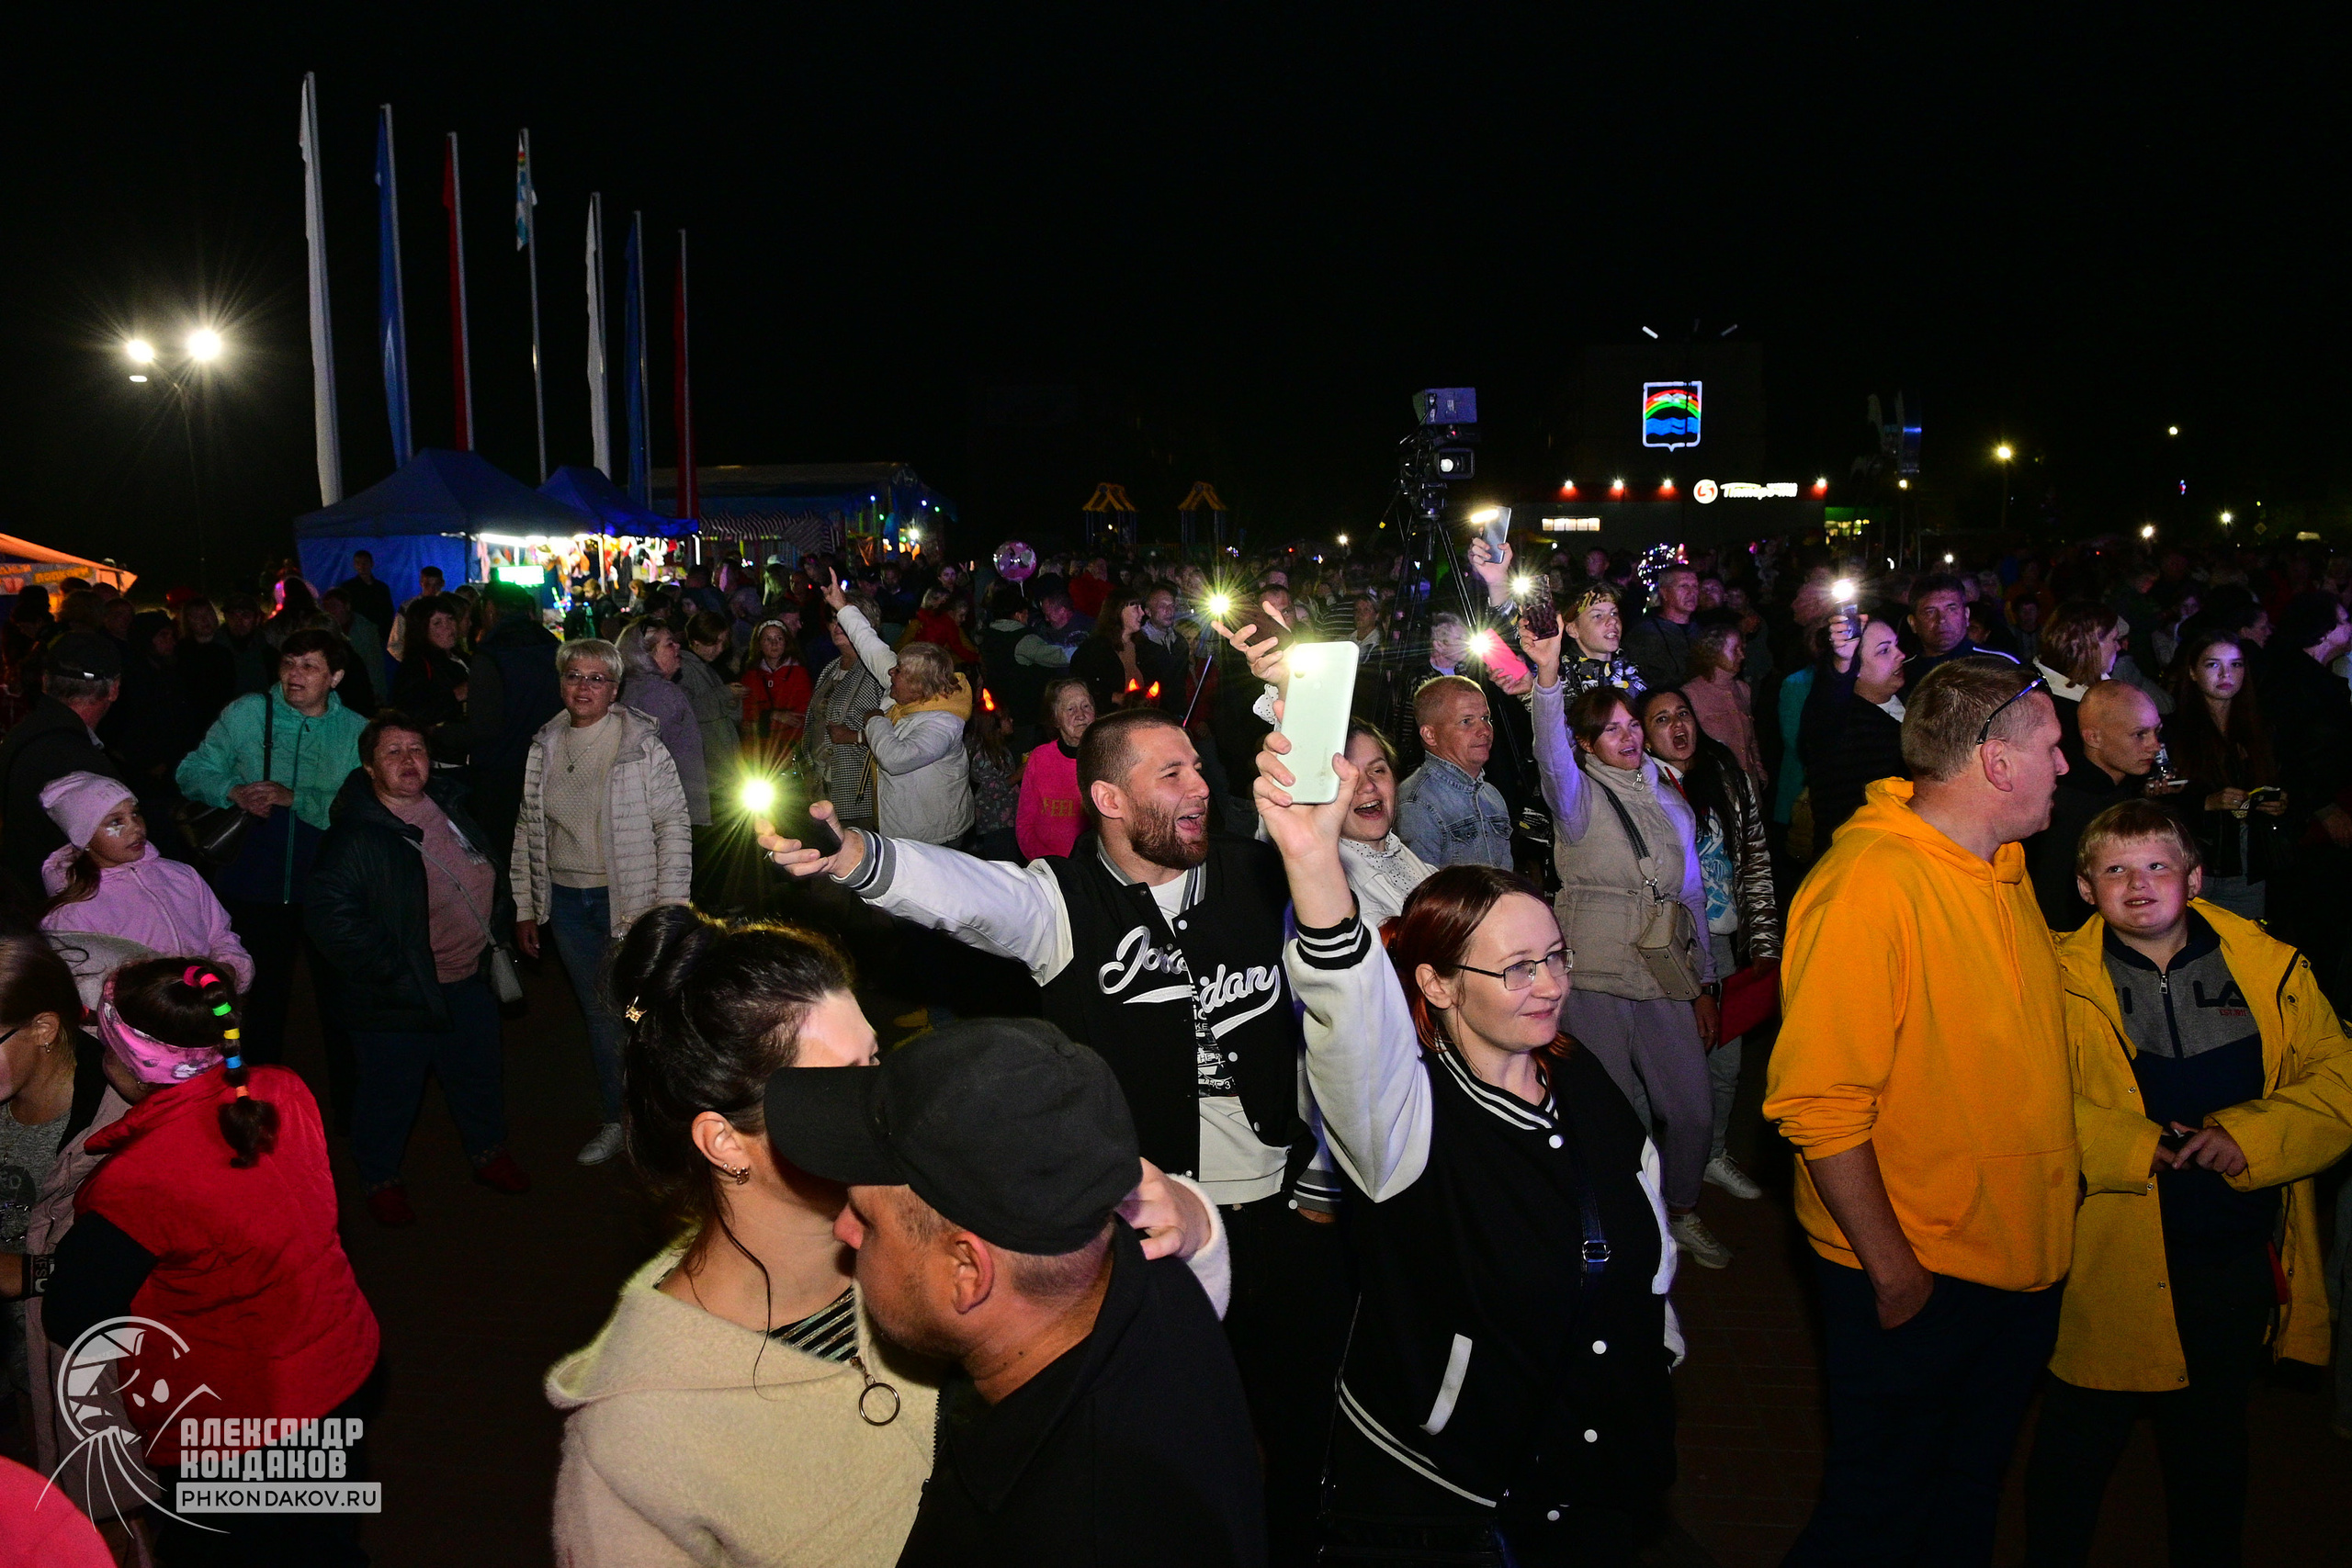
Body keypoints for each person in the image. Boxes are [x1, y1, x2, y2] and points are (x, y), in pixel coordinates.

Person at [762, 707, 1342, 1563]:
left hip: (1285, 1214)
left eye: (1197, 767)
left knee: (1302, 1436)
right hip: (1146, 1234)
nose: (1199, 789)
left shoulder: (1268, 875)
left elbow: (1342, 1018)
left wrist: (1324, 1177)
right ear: (1108, 795)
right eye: (1171, 774)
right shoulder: (1057, 904)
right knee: (1162, 1441)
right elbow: (964, 895)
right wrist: (856, 857)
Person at [546, 907, 1226, 1567]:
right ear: (725, 1141)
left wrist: (1193, 1219)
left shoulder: (937, 1210)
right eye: (843, 1086)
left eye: (879, 1061)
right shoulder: (633, 1434)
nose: (885, 1102)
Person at [1250, 728, 1679, 1562]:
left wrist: (1655, 1355)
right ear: (1438, 983)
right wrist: (1310, 861)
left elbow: (1650, 1241)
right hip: (1448, 1503)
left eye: (1554, 956)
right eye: (1516, 968)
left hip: (1596, 1487)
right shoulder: (1405, 1121)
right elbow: (1349, 1014)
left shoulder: (1583, 1079)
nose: (1551, 983)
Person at [1762, 658, 2075, 1566]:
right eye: (2051, 748)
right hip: (1920, 1275)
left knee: (1959, 1512)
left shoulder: (2002, 867)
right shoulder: (1868, 887)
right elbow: (1819, 1109)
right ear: (1997, 764)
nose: (2064, 766)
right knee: (1872, 1522)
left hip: (2012, 1267)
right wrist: (1895, 1277)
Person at [763, 1016, 1264, 1567]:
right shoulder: (1147, 1279)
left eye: (866, 1219)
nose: (843, 1231)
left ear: (967, 1273)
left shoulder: (1066, 1534)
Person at [2017, 800, 2352, 1564]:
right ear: (2083, 886)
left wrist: (2253, 1134)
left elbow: (2340, 1078)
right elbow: (2017, 1099)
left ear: (2196, 878)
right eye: (2115, 869)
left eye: (2158, 865)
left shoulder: (2273, 969)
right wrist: (2127, 1142)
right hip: (2105, 1259)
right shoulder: (2052, 979)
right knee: (2075, 1446)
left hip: (2226, 1256)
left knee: (2211, 1450)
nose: (2139, 884)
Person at [41, 959, 380, 1568]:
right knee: (322, 1540)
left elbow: (74, 1316)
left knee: (222, 1552)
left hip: (236, 1418)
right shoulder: (282, 1087)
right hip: (340, 1368)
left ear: (126, 1061)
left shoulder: (139, 1181)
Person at [1524, 630, 1729, 1270]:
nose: (1629, 736)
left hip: (1663, 972)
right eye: (1610, 730)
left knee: (1692, 1111)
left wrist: (1704, 981)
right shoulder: (1577, 797)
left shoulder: (1670, 799)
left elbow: (1691, 895)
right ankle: (1617, 1223)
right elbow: (1550, 754)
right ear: (1587, 744)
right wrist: (1548, 675)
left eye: (1629, 725)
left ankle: (1679, 1208)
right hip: (1596, 977)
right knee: (1606, 1115)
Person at [308, 713, 528, 1225]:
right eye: (393, 752)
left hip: (468, 979)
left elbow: (486, 867)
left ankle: (488, 1152)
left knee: (478, 1076)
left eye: (417, 750)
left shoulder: (452, 806)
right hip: (399, 994)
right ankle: (380, 1178)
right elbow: (330, 920)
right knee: (390, 1091)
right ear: (368, 767)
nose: (409, 761)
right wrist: (396, 970)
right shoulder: (356, 836)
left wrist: (497, 923)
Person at [511, 637, 694, 1166]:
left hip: (630, 901)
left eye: (596, 678)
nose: (583, 686)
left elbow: (673, 825)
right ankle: (617, 1119)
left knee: (644, 1010)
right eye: (574, 675)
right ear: (561, 682)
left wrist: (672, 908)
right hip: (568, 903)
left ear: (615, 689)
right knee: (598, 1014)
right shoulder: (544, 744)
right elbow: (528, 828)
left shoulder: (640, 745)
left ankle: (661, 1114)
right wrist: (525, 904)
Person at [174, 628, 367, 1100]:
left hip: (328, 886)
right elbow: (191, 771)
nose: (293, 676)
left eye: (309, 667)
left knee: (343, 1000)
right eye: (288, 663)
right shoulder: (247, 713)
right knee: (253, 1000)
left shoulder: (358, 731)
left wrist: (295, 799)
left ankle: (352, 1106)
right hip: (251, 881)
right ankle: (252, 1100)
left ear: (335, 677)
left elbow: (360, 807)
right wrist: (232, 791)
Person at [1635, 688, 1780, 1204]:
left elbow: (1754, 861)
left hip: (1722, 941)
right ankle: (1663, 1180)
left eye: (1683, 715)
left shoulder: (1727, 776)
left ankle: (1713, 1153)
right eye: (1660, 720)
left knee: (1727, 1065)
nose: (1677, 728)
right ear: (1642, 733)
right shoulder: (1638, 785)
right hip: (1666, 949)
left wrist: (1763, 941)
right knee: (1675, 1072)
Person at [36, 771, 250, 984]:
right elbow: (86, 984)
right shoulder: (74, 909)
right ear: (85, 837)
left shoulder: (181, 875)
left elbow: (220, 934)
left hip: (208, 1006)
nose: (136, 827)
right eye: (115, 821)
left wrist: (228, 969)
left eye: (136, 813)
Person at [2259, 590, 2352, 1010]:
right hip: (2306, 828)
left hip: (2307, 822)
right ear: (2325, 630)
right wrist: (2325, 808)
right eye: (2344, 619)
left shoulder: (2303, 677)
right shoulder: (2301, 684)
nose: (2350, 628)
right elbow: (2295, 755)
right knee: (2318, 925)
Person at [824, 585, 974, 847]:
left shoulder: (943, 722)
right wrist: (842, 607)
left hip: (934, 837)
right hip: (905, 829)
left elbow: (896, 759)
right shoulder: (904, 692)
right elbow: (870, 645)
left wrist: (874, 720)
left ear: (920, 685)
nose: (891, 672)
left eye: (900, 671)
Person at [2163, 631, 2288, 922]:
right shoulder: (2172, 732)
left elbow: (2283, 780)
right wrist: (2204, 802)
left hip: (2248, 866)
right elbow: (2153, 797)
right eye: (2212, 665)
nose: (2225, 674)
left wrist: (2279, 803)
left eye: (2236, 665)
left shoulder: (2262, 730)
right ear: (2192, 672)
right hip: (2192, 864)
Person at [2025, 680, 2166, 930]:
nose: (2154, 746)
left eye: (2156, 732)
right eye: (2139, 734)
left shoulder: (2124, 793)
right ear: (2094, 737)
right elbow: (2055, 901)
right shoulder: (2062, 807)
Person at [0, 632, 125, 897]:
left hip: (21, 894)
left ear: (45, 682)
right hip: (64, 903)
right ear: (113, 689)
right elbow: (119, 841)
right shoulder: (84, 763)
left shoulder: (20, 735)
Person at [454, 581, 567, 861]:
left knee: (504, 857)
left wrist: (441, 733)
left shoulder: (492, 654)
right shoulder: (550, 645)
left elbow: (484, 726)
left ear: (490, 609)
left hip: (501, 774)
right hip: (548, 765)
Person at [1798, 610, 1909, 842]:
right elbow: (1827, 699)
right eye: (1884, 650)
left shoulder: (1916, 702)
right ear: (1855, 668)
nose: (1900, 655)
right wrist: (1841, 661)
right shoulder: (1837, 720)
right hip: (1857, 852)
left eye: (1896, 645)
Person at [1395, 674, 1513, 870]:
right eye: (1467, 721)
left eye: (1486, 718)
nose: (1484, 730)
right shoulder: (1417, 803)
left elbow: (1506, 879)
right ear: (1430, 735)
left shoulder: (1491, 795)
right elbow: (1420, 893)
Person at [1329, 719, 1435, 927]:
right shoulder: (1332, 895)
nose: (1367, 786)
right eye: (1346, 778)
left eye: (1377, 770)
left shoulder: (1414, 864)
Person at [617, 621, 712, 831]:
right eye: (669, 644)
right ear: (646, 654)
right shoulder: (660, 695)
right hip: (673, 810)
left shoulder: (628, 689)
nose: (678, 647)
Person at [807, 602, 888, 832]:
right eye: (834, 619)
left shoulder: (878, 672)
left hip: (858, 792)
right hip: (824, 786)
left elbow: (898, 730)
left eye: (845, 620)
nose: (838, 626)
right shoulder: (830, 668)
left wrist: (855, 737)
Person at [2034, 600, 2126, 771]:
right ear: (2086, 645)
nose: (2118, 647)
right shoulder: (2044, 702)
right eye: (2114, 639)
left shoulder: (2107, 687)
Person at [1014, 677, 1093, 862]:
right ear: (1056, 719)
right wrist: (1048, 864)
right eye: (1071, 709)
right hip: (1048, 866)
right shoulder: (1040, 758)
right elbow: (1025, 824)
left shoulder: (1108, 757)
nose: (1080, 715)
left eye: (1086, 706)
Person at [1681, 621, 1764, 786]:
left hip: (1748, 784)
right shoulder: (1691, 694)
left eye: (1742, 649)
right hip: (1717, 786)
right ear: (1714, 652)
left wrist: (1758, 768)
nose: (1742, 655)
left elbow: (1751, 739)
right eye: (1735, 650)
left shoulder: (1743, 689)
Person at [1904, 570, 2015, 687]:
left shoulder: (2000, 665)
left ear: (1966, 615)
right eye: (1930, 612)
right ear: (1913, 623)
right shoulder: (1899, 674)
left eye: (1951, 609)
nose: (1942, 619)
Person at [1554, 583, 1645, 708]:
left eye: (1614, 613)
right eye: (1598, 616)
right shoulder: (1555, 678)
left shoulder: (1636, 669)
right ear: (1573, 629)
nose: (1613, 621)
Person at [390, 592, 469, 729]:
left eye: (450, 619)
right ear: (422, 629)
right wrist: (455, 695)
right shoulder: (416, 666)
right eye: (437, 623)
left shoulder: (462, 657)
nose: (448, 627)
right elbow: (412, 712)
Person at [740, 618, 812, 765]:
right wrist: (775, 716)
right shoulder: (750, 677)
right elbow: (746, 718)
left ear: (786, 642)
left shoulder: (799, 674)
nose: (774, 644)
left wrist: (763, 722)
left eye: (779, 638)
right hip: (759, 755)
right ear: (759, 644)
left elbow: (800, 718)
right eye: (768, 639)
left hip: (792, 752)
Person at [1623, 564, 1701, 692]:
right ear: (1664, 592)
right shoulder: (1644, 635)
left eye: (1695, 586)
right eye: (1683, 586)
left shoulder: (1701, 631)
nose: (1691, 593)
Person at [1072, 590, 1149, 713]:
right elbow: (1081, 686)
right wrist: (1114, 697)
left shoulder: (1143, 647)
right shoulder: (1094, 650)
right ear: (1118, 611)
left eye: (1141, 607)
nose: (1142, 613)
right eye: (1136, 608)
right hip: (1109, 719)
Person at [335, 548, 398, 643]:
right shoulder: (347, 587)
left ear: (371, 564)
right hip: (357, 634)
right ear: (354, 565)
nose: (362, 566)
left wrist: (386, 632)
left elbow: (388, 612)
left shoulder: (382, 587)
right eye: (358, 563)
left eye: (365, 563)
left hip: (379, 634)